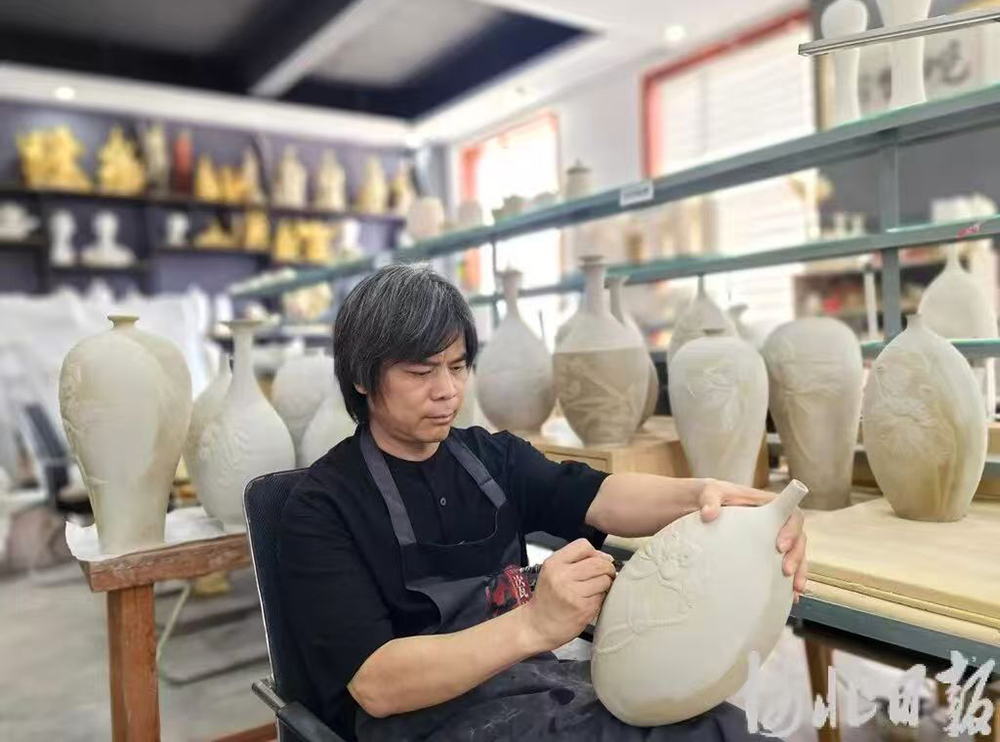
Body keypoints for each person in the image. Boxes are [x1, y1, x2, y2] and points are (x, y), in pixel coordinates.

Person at [279, 264, 808, 741]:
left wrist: (705, 497)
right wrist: (534, 625)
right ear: (361, 376)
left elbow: (602, 496)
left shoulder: (490, 458)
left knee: (716, 726)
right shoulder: (321, 508)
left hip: (528, 688)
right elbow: (377, 685)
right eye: (421, 373)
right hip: (421, 720)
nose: (447, 391)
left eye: (457, 367)